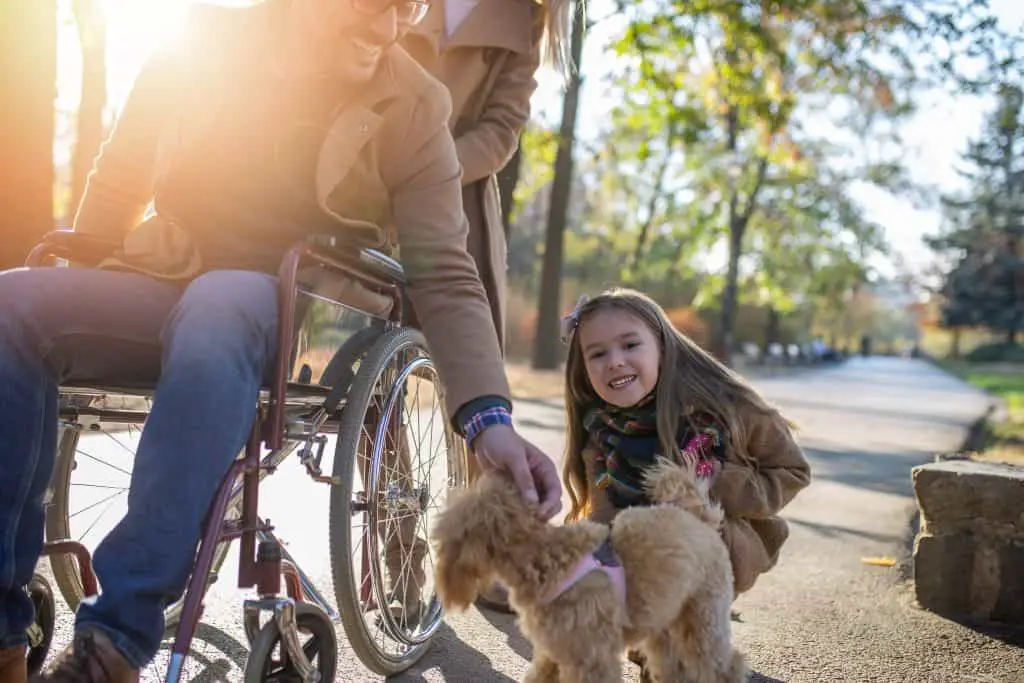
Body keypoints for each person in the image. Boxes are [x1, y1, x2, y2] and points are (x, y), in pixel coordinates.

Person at [0, 1, 563, 681]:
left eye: (405, 8)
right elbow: (119, 178)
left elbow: (444, 270)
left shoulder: (415, 101)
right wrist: (80, 280)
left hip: (300, 303)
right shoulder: (199, 44)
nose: (387, 27)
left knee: (221, 300)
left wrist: (488, 419)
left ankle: (115, 638)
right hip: (165, 273)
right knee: (12, 302)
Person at [400, 0, 576, 614]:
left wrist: (426, 168)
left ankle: (497, 555)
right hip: (366, 181)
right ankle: (392, 551)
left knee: (475, 381)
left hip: (454, 200)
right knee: (374, 379)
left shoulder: (521, 20)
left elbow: (501, 132)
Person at [559, 288, 811, 598]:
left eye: (630, 345)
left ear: (663, 348)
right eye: (598, 354)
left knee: (681, 517)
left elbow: (793, 471)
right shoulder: (601, 432)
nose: (615, 361)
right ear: (583, 369)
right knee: (572, 575)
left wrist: (714, 479)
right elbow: (604, 517)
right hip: (645, 552)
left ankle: (687, 613)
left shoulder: (725, 406)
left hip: (718, 546)